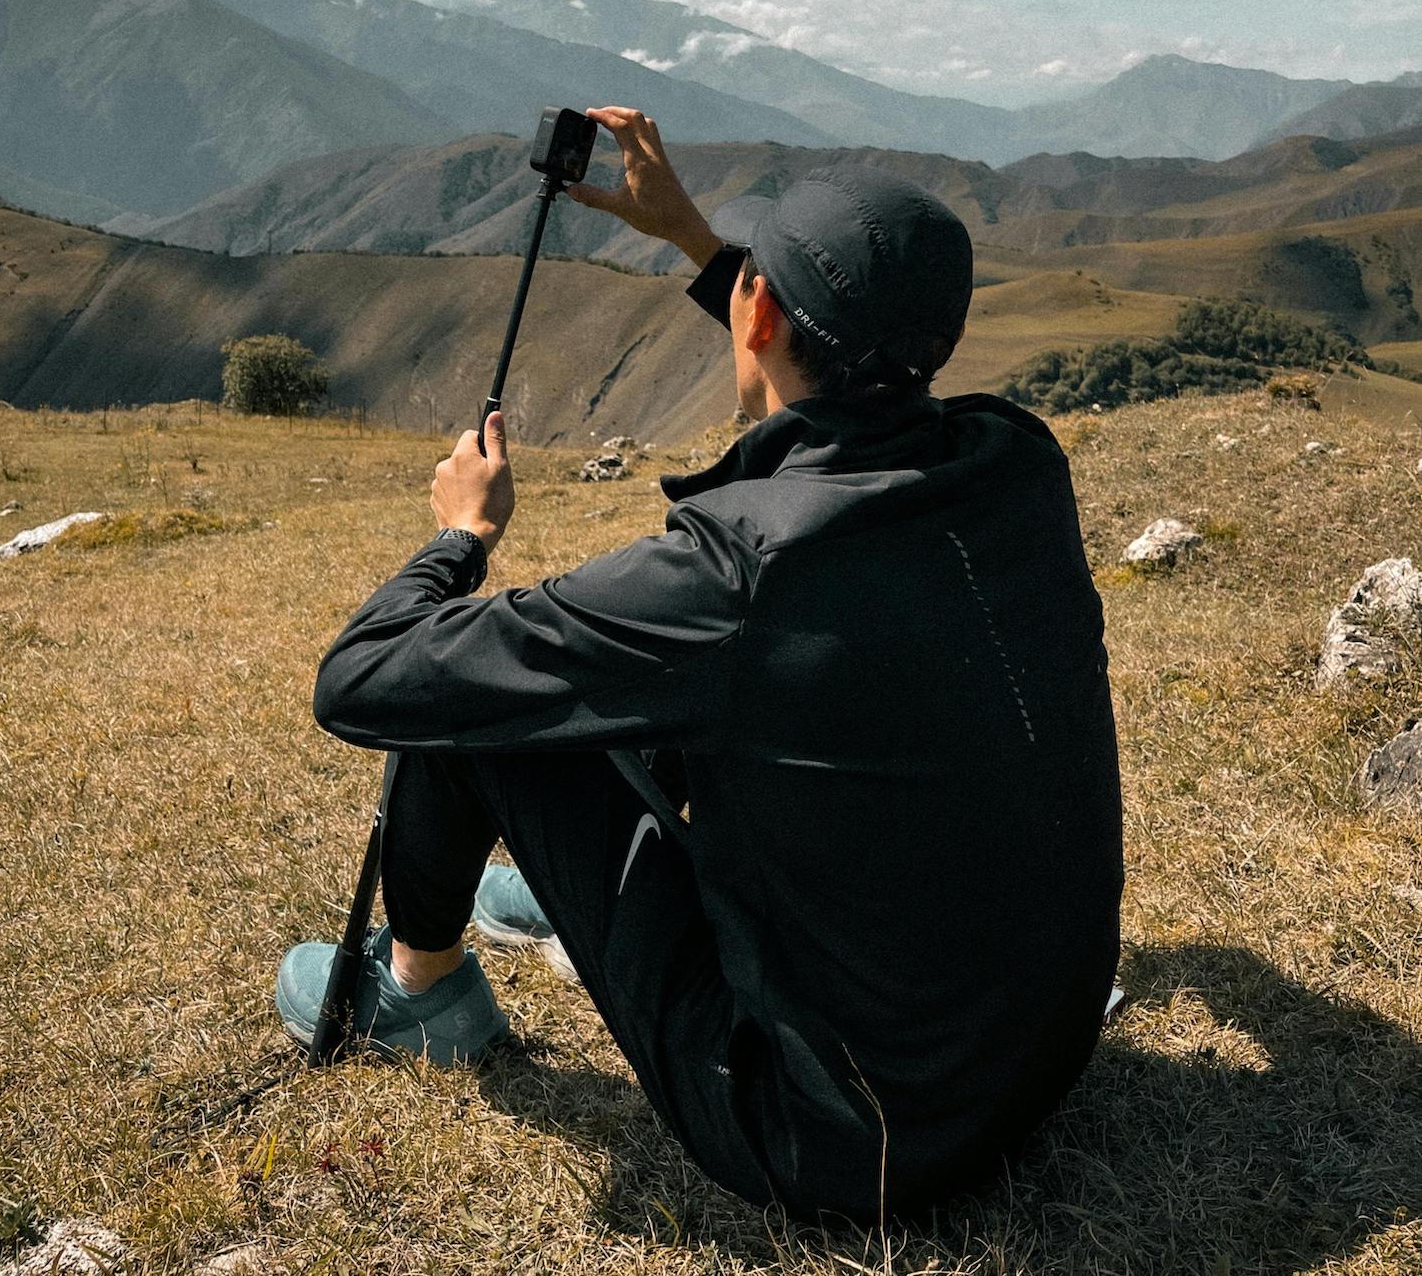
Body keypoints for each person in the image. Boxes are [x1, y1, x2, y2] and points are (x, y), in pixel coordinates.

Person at [275, 106, 1123, 1223]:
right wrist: (698, 244)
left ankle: (421, 990)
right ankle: (563, 892)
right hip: (1027, 1069)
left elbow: (369, 677)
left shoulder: (745, 573)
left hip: (832, 1137)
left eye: (750, 281)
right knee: (725, 685)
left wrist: (461, 537)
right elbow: (839, 366)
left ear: (760, 309)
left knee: (485, 691)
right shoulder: (1015, 462)